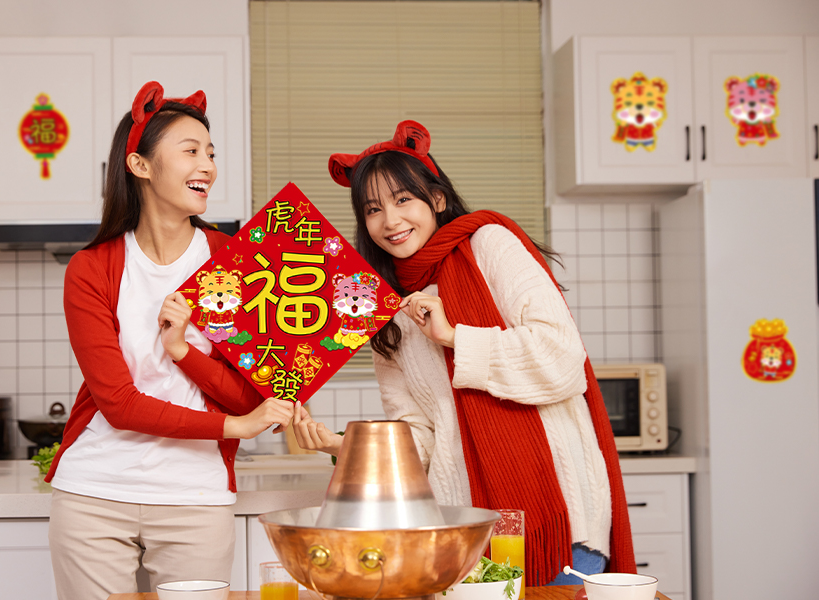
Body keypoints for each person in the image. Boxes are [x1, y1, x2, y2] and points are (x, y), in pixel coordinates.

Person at [291, 120, 636, 586]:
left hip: (560, 520)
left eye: (402, 200)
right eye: (373, 209)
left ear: (436, 199)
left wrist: (454, 337)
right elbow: (420, 439)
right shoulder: (386, 309)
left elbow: (562, 358)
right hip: (462, 535)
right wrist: (343, 446)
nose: (389, 221)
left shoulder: (490, 244)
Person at [44, 81, 294, 600]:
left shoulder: (237, 262)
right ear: (140, 165)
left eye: (211, 153)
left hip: (195, 496)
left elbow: (254, 398)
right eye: (191, 151)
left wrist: (183, 353)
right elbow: (118, 404)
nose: (208, 166)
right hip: (94, 493)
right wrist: (235, 426)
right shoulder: (92, 269)